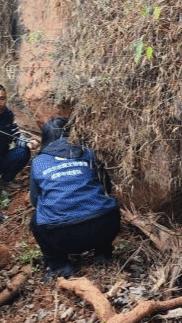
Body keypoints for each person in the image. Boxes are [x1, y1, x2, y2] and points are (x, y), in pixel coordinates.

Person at [29, 117, 121, 280]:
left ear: (45, 138)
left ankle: (59, 265)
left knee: (36, 221)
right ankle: (103, 253)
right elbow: (106, 186)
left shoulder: (38, 162)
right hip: (104, 226)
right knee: (109, 206)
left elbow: (35, 200)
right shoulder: (87, 153)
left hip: (62, 237)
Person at [0, 83, 40, 186]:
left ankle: (5, 181)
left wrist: (28, 143)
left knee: (23, 152)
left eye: (2, 99)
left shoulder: (8, 114)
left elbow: (16, 135)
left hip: (2, 158)